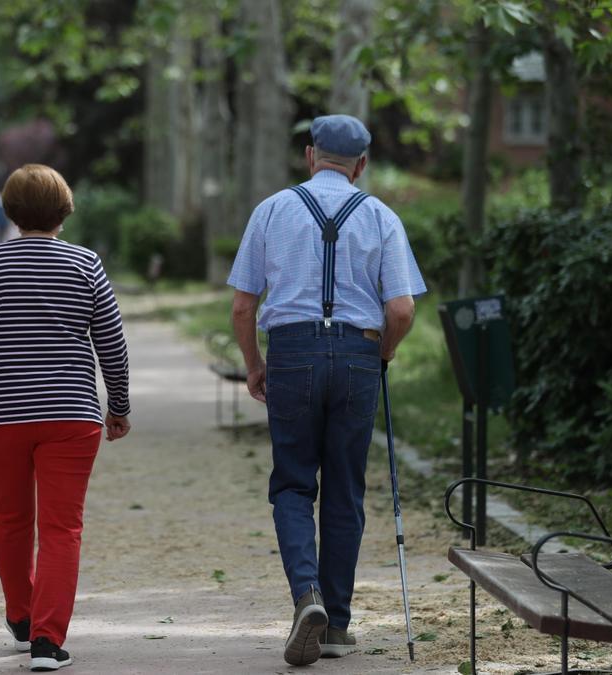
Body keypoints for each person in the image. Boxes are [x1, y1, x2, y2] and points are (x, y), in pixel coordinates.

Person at [227, 115, 425, 666]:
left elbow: (243, 305)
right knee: (345, 487)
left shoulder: (272, 210)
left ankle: (306, 597)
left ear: (310, 155)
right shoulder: (382, 216)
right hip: (359, 355)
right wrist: (382, 351)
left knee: (292, 484)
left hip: (292, 353)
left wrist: (254, 363)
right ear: (362, 164)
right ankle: (336, 624)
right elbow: (402, 309)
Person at [0, 164, 132, 672]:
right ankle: (46, 640)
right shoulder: (86, 264)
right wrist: (120, 405)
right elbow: (111, 342)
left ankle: (21, 619)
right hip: (71, 415)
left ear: (12, 211)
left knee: (10, 518)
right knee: (62, 528)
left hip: (0, 416)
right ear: (64, 209)